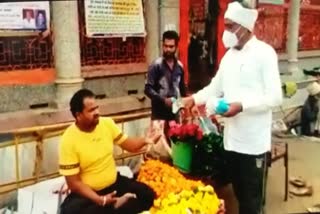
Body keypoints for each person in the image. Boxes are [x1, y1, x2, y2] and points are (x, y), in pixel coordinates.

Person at [183, 2, 283, 214]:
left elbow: (275, 97)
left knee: (252, 202)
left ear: (244, 26)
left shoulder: (264, 54)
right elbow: (215, 87)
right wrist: (195, 99)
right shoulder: (229, 57)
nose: (225, 31)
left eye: (229, 26)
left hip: (253, 145)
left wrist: (242, 106)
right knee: (238, 195)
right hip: (231, 141)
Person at [59, 89, 158, 214]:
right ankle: (115, 206)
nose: (97, 112)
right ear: (78, 115)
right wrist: (100, 200)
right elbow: (74, 183)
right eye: (91, 110)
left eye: (97, 108)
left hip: (115, 184)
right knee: (69, 212)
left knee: (148, 195)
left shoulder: (107, 124)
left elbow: (130, 146)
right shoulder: (68, 139)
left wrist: (146, 140)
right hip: (90, 194)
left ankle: (115, 206)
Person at [144, 30, 187, 122]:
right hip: (159, 115)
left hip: (175, 114)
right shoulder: (156, 65)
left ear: (176, 47)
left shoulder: (180, 66)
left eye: (171, 47)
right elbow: (148, 89)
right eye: (165, 46)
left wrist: (183, 106)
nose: (168, 49)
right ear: (162, 46)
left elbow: (182, 90)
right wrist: (163, 100)